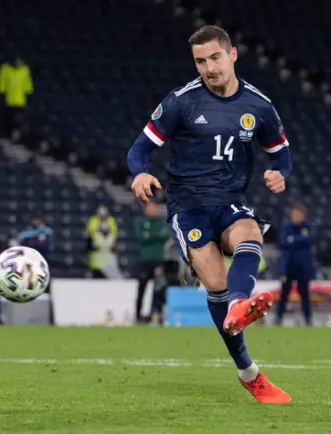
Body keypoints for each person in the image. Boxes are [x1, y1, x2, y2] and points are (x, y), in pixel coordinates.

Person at [127, 25, 291, 403]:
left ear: (232, 55)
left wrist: (279, 173)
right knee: (215, 284)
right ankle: (248, 372)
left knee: (249, 232)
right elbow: (138, 151)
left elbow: (281, 152)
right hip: (188, 208)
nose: (209, 67)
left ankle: (238, 305)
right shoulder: (180, 102)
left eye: (215, 57)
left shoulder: (258, 105)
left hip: (230, 198)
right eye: (201, 61)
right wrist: (140, 174)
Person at [276, 204, 314, 326]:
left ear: (304, 216)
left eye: (299, 215)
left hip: (303, 268)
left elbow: (309, 240)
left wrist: (292, 240)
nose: (296, 217)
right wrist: (299, 240)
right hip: (287, 267)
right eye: (294, 215)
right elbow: (282, 241)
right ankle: (278, 318)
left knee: (305, 294)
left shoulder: (307, 227)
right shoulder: (286, 226)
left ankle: (308, 319)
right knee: (284, 294)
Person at [134, 202, 169, 323]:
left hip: (158, 261)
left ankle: (156, 314)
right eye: (151, 207)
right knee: (141, 289)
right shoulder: (140, 221)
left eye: (155, 207)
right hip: (144, 260)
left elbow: (166, 235)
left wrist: (149, 235)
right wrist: (157, 236)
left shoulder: (162, 222)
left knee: (159, 289)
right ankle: (138, 316)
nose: (154, 210)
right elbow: (141, 237)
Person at [0, 55, 33, 139]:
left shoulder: (25, 70)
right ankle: (6, 137)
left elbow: (27, 84)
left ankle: (15, 139)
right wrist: (2, 94)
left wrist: (29, 95)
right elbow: (2, 82)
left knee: (17, 122)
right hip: (8, 101)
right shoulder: (5, 68)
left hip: (20, 102)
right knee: (7, 121)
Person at [85, 205, 118, 279]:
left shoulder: (111, 220)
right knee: (96, 273)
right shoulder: (93, 220)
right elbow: (90, 235)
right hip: (96, 252)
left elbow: (114, 234)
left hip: (108, 251)